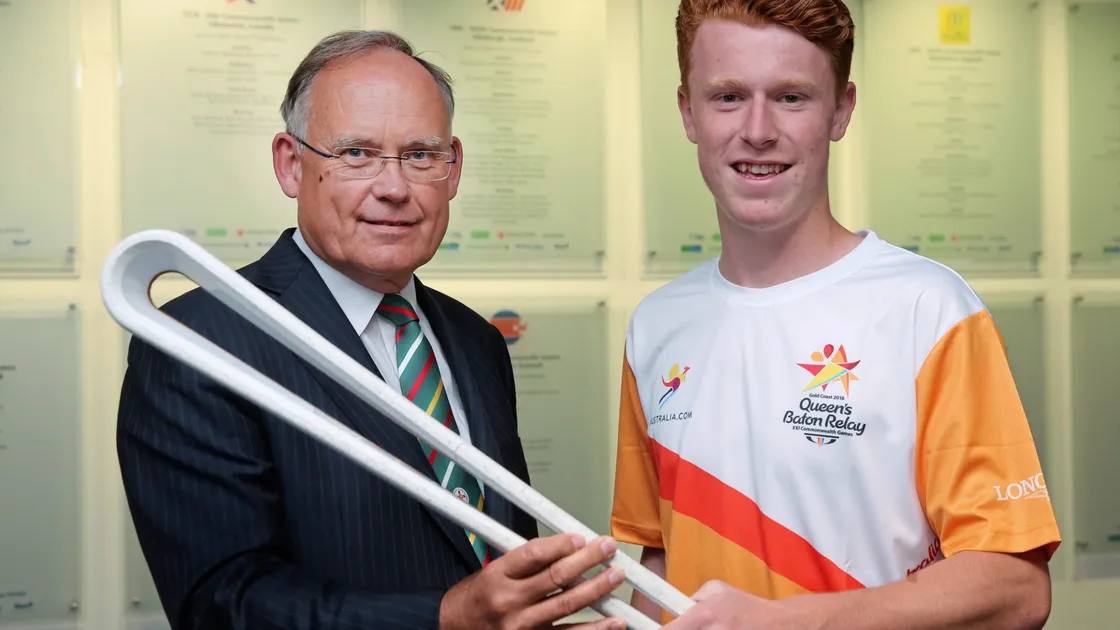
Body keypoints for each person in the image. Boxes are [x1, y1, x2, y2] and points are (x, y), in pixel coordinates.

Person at [117, 30, 627, 630]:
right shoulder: (198, 342)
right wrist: (443, 618)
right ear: (290, 164)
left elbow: (491, 558)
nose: (393, 187)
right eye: (356, 153)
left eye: (420, 155)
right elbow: (222, 604)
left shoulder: (476, 341)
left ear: (453, 167)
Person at [609, 1, 1061, 628]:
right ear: (688, 111)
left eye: (792, 97)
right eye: (728, 96)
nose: (759, 129)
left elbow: (1016, 587)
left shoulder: (928, 311)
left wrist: (785, 621)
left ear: (841, 109)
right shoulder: (656, 326)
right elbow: (661, 558)